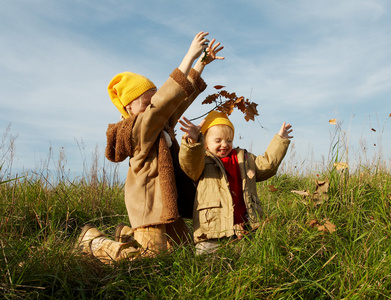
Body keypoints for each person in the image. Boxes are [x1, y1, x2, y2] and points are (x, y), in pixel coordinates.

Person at [76, 31, 224, 263]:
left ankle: (127, 235)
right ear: (129, 109)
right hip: (149, 210)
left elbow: (178, 99)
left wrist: (201, 64)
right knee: (146, 261)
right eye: (146, 103)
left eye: (154, 99)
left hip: (167, 208)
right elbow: (163, 102)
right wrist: (188, 57)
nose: (153, 106)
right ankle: (94, 242)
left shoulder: (161, 124)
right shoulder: (137, 129)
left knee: (184, 254)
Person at [177, 110, 293, 254]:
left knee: (248, 261)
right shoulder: (201, 161)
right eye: (218, 140)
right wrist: (193, 143)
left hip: (244, 226)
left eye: (229, 140)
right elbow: (189, 165)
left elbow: (267, 165)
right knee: (208, 265)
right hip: (211, 230)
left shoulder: (243, 158)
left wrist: (280, 141)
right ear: (205, 142)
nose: (224, 144)